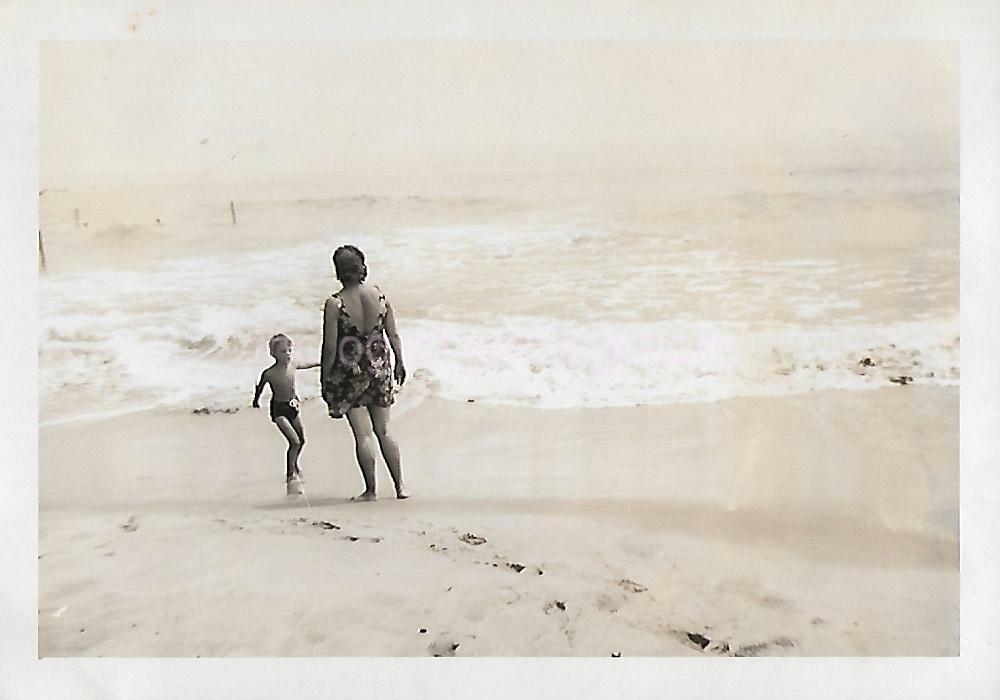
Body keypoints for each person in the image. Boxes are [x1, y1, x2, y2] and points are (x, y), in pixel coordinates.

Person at [321, 245, 409, 501]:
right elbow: (393, 334)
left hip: (349, 375)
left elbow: (329, 348)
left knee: (363, 435)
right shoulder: (380, 296)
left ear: (338, 272)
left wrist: (325, 378)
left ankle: (371, 490)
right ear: (363, 268)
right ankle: (400, 487)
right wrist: (400, 361)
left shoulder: (334, 304)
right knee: (384, 430)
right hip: (380, 369)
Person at [252, 334, 319, 495]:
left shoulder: (293, 365)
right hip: (279, 410)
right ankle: (290, 475)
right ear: (273, 354)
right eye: (283, 351)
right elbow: (260, 388)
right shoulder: (269, 373)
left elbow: (308, 364)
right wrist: (256, 401)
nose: (287, 354)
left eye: (289, 350)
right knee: (294, 441)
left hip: (293, 407)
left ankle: (294, 463)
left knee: (302, 440)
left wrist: (321, 363)